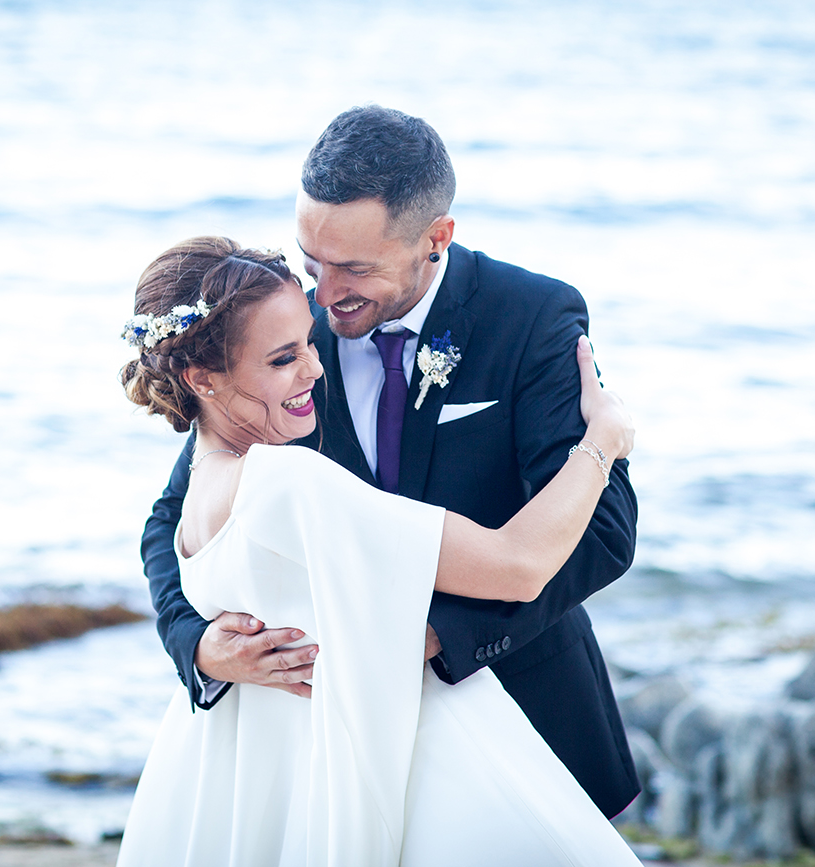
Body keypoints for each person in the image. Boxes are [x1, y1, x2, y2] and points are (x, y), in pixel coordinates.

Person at [141, 105, 640, 818]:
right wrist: (197, 646)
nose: (325, 292)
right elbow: (175, 514)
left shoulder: (533, 318)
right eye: (311, 260)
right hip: (329, 742)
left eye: (353, 268)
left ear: (435, 238)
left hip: (517, 705)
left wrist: (435, 638)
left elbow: (603, 533)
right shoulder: (281, 335)